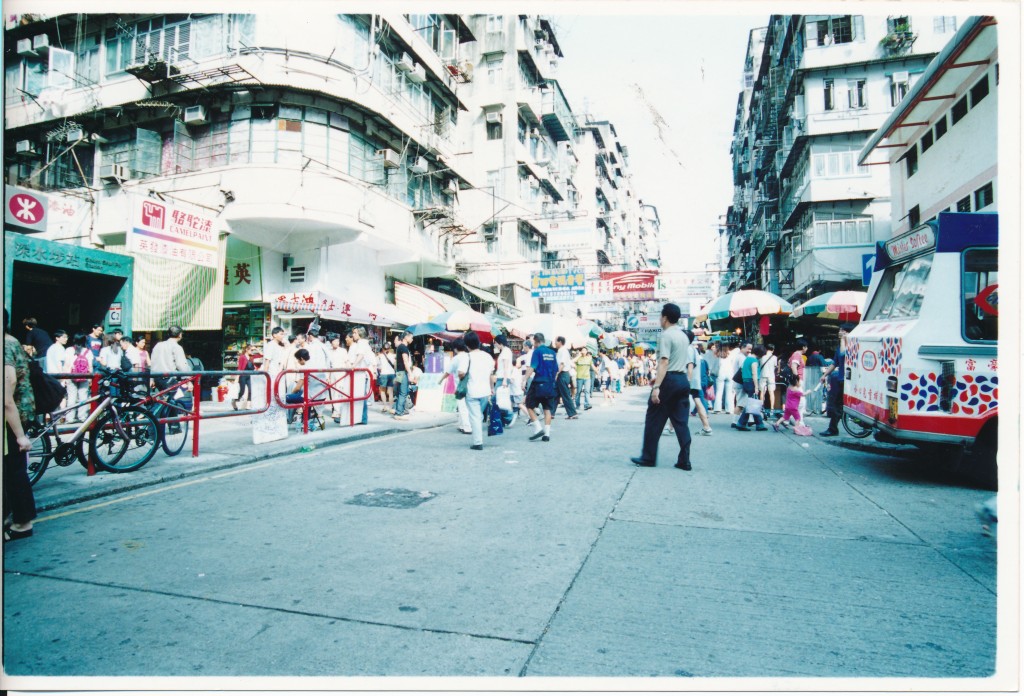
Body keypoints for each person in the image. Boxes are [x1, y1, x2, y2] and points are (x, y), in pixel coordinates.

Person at [631, 303, 692, 471]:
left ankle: (648, 457)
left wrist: (657, 386)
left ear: (665, 318)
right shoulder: (683, 336)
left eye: (660, 316)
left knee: (653, 418)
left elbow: (664, 361)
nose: (659, 319)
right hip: (682, 380)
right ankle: (684, 460)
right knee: (681, 423)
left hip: (669, 381)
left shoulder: (666, 336)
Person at [4, 309, 37, 542]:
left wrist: (19, 435)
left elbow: (7, 391)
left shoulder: (5, 344)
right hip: (11, 413)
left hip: (11, 415)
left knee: (14, 469)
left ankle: (23, 522)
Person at [460, 331, 495, 450]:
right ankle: (478, 437)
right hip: (485, 391)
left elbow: (461, 372)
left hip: (472, 391)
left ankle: (478, 442)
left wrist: (462, 377)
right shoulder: (488, 357)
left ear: (466, 345)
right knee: (478, 416)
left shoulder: (467, 357)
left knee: (475, 416)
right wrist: (491, 388)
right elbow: (491, 374)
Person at [819, 323, 853, 436]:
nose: (840, 332)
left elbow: (844, 355)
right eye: (840, 330)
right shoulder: (839, 347)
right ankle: (833, 428)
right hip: (841, 379)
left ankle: (833, 429)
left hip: (849, 380)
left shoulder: (853, 345)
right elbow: (835, 363)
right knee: (837, 405)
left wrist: (843, 340)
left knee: (838, 406)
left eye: (843, 330)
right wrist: (825, 375)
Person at [523, 332, 558, 442]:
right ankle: (546, 435)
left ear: (536, 341)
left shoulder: (537, 351)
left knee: (529, 405)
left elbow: (532, 367)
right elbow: (556, 369)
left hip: (538, 383)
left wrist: (524, 380)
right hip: (550, 383)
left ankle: (538, 428)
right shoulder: (552, 352)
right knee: (547, 409)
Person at [438, 339, 472, 434]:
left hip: (460, 386)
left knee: (462, 406)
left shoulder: (456, 358)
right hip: (470, 384)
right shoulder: (469, 356)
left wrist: (440, 380)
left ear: (456, 349)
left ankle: (467, 427)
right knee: (467, 406)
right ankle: (461, 425)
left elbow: (448, 372)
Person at [685, 333, 713, 436]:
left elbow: (690, 365)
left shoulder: (688, 348)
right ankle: (706, 427)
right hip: (695, 381)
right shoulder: (693, 349)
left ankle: (670, 427)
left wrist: (688, 380)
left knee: (677, 402)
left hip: (690, 381)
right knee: (697, 401)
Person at [347, 328, 375, 425]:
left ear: (360, 334)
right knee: (360, 396)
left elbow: (361, 355)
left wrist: (353, 365)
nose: (353, 335)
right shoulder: (363, 343)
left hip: (362, 374)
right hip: (362, 373)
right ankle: (360, 418)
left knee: (360, 397)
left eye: (355, 333)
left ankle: (361, 418)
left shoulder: (361, 343)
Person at [150, 326, 191, 391]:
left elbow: (152, 363)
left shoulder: (158, 345)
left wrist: (151, 379)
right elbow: (181, 365)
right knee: (181, 395)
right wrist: (188, 381)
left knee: (164, 399)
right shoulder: (177, 347)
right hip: (169, 379)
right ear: (180, 335)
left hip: (157, 379)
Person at [65, 333, 95, 422]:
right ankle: (82, 417)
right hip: (84, 376)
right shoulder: (88, 352)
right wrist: (90, 378)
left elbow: (67, 365)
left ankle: (70, 418)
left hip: (71, 376)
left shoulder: (69, 350)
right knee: (83, 396)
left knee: (71, 397)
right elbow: (90, 366)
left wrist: (65, 378)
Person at [553, 336, 578, 419]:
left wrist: (557, 373)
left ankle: (572, 413)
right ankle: (551, 413)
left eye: (556, 341)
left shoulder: (563, 351)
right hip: (561, 374)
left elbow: (562, 364)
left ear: (560, 342)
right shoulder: (560, 351)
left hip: (562, 374)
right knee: (555, 394)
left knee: (565, 394)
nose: (555, 343)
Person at [392, 331, 414, 420]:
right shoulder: (404, 348)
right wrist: (410, 373)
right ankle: (399, 412)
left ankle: (399, 410)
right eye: (411, 337)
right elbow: (405, 362)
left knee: (399, 392)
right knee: (403, 392)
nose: (412, 339)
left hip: (398, 372)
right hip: (402, 372)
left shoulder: (399, 347)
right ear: (406, 337)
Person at [788, 339, 809, 416]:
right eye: (806, 347)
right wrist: (797, 381)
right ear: (803, 347)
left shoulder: (796, 354)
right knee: (801, 401)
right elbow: (794, 367)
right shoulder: (797, 354)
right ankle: (799, 422)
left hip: (797, 380)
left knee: (796, 401)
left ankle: (787, 419)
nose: (807, 349)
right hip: (797, 380)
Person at [234, 344, 257, 411]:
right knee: (242, 391)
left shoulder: (252, 357)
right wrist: (237, 377)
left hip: (249, 375)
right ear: (247, 349)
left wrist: (256, 349)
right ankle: (234, 401)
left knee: (250, 390)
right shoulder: (242, 357)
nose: (252, 351)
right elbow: (240, 367)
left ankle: (248, 405)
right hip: (243, 375)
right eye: (251, 350)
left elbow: (261, 355)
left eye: (253, 350)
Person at [760, 344, 779, 418]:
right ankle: (772, 409)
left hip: (763, 375)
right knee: (771, 392)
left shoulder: (762, 357)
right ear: (773, 350)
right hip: (771, 376)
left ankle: (762, 407)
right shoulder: (774, 357)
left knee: (762, 392)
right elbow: (775, 366)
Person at [574, 346, 594, 412]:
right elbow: (572, 361)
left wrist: (597, 371)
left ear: (586, 351)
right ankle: (577, 405)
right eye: (582, 350)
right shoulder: (578, 358)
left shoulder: (589, 358)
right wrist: (578, 355)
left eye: (585, 350)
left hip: (587, 377)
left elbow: (593, 366)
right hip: (579, 377)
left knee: (587, 391)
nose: (583, 351)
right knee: (578, 392)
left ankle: (587, 404)